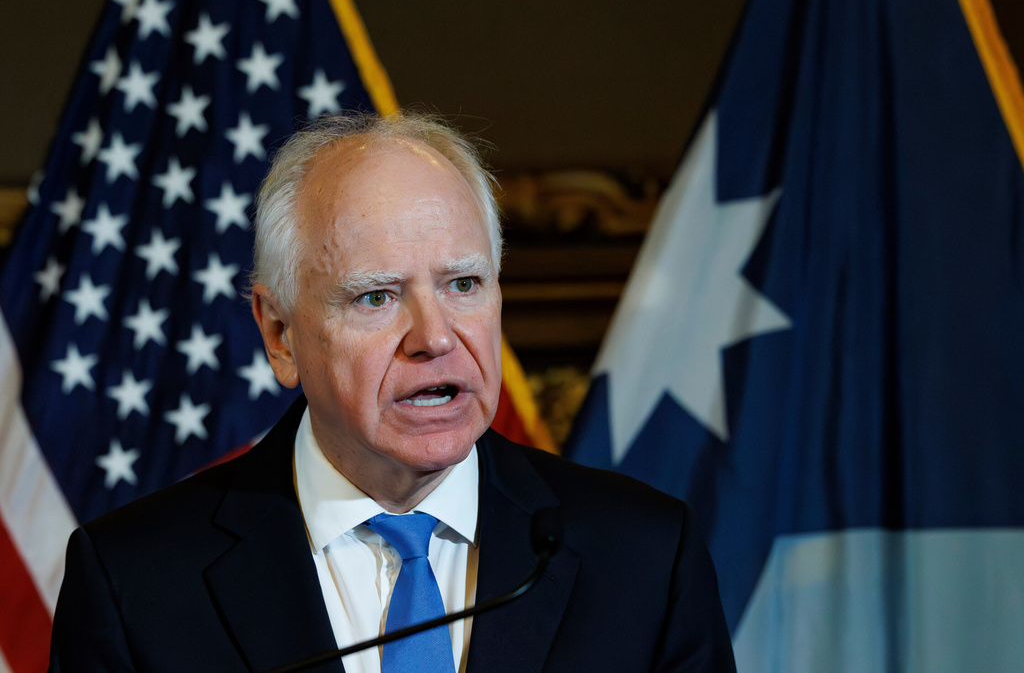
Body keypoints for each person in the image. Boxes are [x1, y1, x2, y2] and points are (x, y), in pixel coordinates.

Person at [48, 111, 736, 672]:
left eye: (462, 284)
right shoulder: (135, 586)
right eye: (376, 296)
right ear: (281, 335)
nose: (434, 336)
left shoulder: (644, 559)